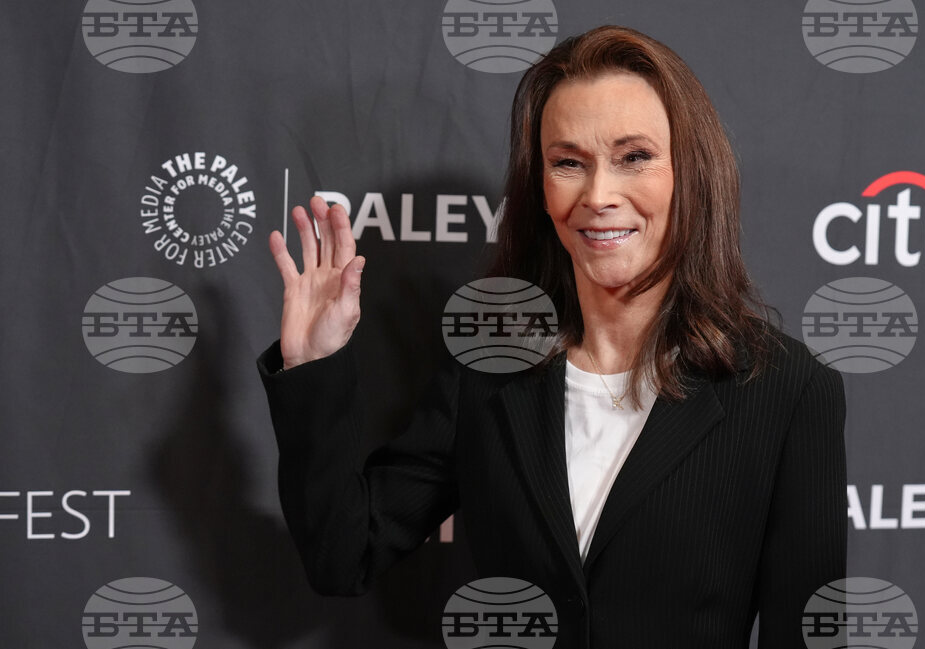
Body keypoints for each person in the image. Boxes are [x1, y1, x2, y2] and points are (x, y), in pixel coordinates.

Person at [258, 25, 846, 648]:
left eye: (634, 157)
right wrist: (314, 361)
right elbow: (343, 555)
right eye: (568, 163)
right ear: (539, 188)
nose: (598, 196)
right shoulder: (489, 364)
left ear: (692, 175)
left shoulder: (785, 389)